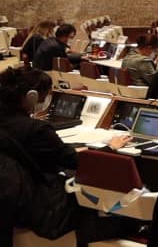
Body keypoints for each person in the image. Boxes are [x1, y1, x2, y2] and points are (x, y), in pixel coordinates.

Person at [0, 67, 132, 244]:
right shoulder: (36, 130)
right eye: (46, 95)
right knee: (108, 202)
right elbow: (76, 162)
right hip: (41, 206)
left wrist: (69, 151)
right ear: (32, 97)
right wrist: (110, 148)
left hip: (13, 204)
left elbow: (44, 153)